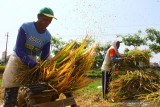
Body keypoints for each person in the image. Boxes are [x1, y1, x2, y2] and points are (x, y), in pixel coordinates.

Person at [1, 7, 57, 107]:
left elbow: (44, 57)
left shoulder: (47, 36)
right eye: (45, 19)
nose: (47, 22)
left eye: (50, 20)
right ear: (38, 16)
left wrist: (42, 67)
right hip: (18, 59)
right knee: (11, 96)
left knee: (32, 94)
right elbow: (19, 49)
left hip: (33, 62)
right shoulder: (26, 27)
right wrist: (31, 63)